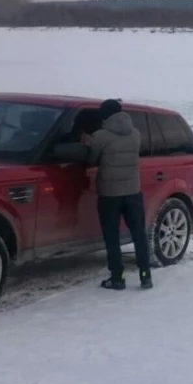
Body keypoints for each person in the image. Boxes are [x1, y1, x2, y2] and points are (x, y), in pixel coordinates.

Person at [82, 99, 153, 290]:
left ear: (104, 115)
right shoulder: (135, 133)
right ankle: (145, 275)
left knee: (112, 237)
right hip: (133, 192)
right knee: (139, 234)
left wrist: (87, 143)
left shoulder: (100, 136)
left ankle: (117, 277)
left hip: (110, 194)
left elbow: (91, 159)